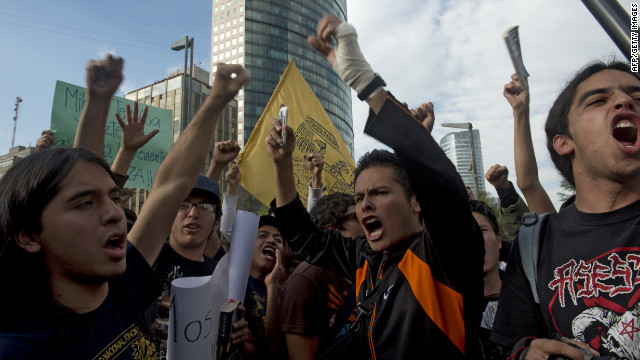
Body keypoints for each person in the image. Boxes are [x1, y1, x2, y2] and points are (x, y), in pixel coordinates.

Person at [0, 55, 251, 359]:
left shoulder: (123, 286)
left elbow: (170, 185)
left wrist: (218, 98)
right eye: (86, 203)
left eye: (114, 198)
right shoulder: (22, 350)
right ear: (28, 234)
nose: (115, 214)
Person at [268, 14, 483, 359]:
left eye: (380, 193)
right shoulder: (365, 258)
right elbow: (303, 236)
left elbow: (443, 189)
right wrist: (281, 163)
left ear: (416, 202)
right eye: (359, 197)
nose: (363, 205)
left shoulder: (445, 256)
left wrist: (362, 81)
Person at [491, 61, 640, 360]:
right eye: (599, 100)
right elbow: (515, 346)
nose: (625, 102)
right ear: (563, 142)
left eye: (638, 99)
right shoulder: (535, 246)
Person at [145, 174, 222, 359]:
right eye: (183, 204)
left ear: (217, 222)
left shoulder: (221, 275)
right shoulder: (147, 258)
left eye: (204, 207)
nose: (193, 213)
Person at [280, 192, 362, 360]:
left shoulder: (370, 270)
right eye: (356, 215)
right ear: (332, 230)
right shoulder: (305, 281)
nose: (366, 216)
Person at [503, 74, 556, 215]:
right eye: (599, 101)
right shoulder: (564, 229)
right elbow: (528, 184)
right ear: (562, 143)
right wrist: (520, 111)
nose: (622, 101)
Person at [469, 200, 509, 360]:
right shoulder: (450, 309)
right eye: (465, 233)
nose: (475, 240)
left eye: (482, 230)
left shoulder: (529, 294)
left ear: (498, 240)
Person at [242, 215, 286, 359]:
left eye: (278, 240)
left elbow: (274, 349)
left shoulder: (286, 294)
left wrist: (273, 284)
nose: (271, 240)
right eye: (262, 235)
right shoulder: (231, 279)